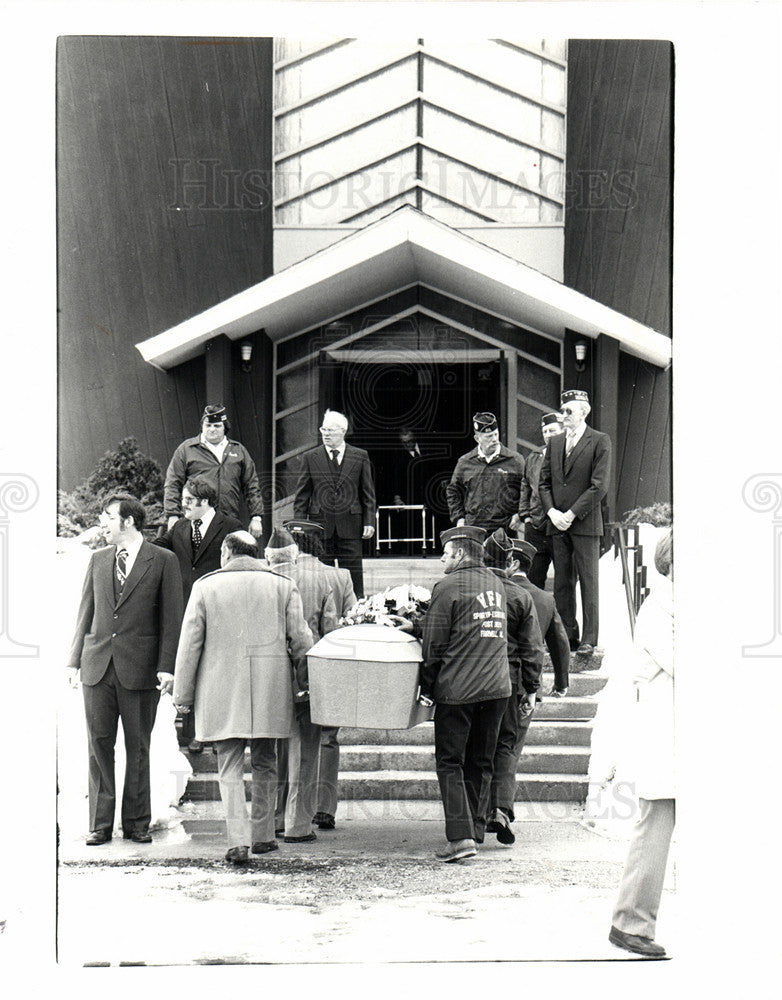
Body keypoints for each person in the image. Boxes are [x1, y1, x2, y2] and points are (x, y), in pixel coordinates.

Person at [172, 531, 313, 864]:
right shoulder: (282, 586)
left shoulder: (205, 587)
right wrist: (306, 685)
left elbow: (189, 644)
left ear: (225, 553)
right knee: (266, 763)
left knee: (230, 767)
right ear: (257, 554)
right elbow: (302, 640)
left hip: (221, 692)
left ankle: (238, 841)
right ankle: (263, 836)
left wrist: (184, 696)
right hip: (271, 689)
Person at [66, 493, 183, 845]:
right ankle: (100, 824)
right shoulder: (99, 560)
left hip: (141, 669)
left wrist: (166, 667)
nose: (103, 523)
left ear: (128, 521)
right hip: (97, 666)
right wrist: (73, 660)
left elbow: (172, 619)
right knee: (98, 745)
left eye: (108, 517)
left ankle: (136, 823)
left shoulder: (163, 560)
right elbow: (85, 612)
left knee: (138, 747)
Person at [419, 525, 511, 862]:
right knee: (480, 761)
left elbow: (434, 645)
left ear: (459, 554)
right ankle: (472, 829)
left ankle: (459, 839)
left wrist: (426, 688)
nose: (442, 556)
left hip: (458, 690)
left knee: (449, 762)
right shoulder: (495, 583)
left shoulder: (448, 586)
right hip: (497, 688)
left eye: (446, 550)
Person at [609, 528, 674, 958]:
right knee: (654, 826)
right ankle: (630, 922)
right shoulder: (659, 606)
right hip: (667, 737)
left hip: (682, 737)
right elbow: (689, 660)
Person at [154, 475, 243, 751]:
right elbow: (158, 549)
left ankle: (219, 733)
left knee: (215, 671)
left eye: (189, 501)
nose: (183, 506)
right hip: (185, 609)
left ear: (205, 501)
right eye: (182, 501)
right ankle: (193, 734)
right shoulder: (180, 526)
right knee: (189, 667)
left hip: (220, 609)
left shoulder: (231, 527)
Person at [283, 519, 357, 832]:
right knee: (327, 738)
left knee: (284, 740)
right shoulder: (340, 576)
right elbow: (352, 620)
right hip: (326, 665)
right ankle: (324, 808)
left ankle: (284, 814)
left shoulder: (276, 573)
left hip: (283, 667)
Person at [265, 526, 337, 843]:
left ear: (267, 557)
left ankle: (274, 820)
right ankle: (298, 825)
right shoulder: (323, 579)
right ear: (295, 556)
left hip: (267, 680)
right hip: (306, 675)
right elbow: (327, 632)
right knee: (305, 754)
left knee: (274, 755)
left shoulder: (259, 582)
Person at [481, 529, 546, 846]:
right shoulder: (522, 597)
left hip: (475, 679)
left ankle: (475, 817)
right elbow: (535, 649)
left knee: (478, 749)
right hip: (512, 681)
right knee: (505, 748)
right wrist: (532, 689)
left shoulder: (472, 591)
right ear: (510, 561)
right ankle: (501, 811)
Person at [538, 390, 612, 657]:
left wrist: (571, 514)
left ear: (584, 411)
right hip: (557, 524)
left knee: (588, 581)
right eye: (562, 410)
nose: (564, 415)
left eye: (569, 411)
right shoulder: (556, 442)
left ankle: (589, 639)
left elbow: (599, 486)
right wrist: (552, 513)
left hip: (584, 523)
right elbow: (544, 482)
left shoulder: (600, 441)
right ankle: (568, 635)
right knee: (562, 583)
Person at [293, 409, 376, 598]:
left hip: (351, 526)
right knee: (322, 578)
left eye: (330, 431)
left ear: (343, 431)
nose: (326, 434)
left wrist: (369, 521)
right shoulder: (310, 457)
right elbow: (302, 496)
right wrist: (299, 527)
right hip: (320, 527)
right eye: (323, 430)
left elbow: (368, 493)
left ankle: (356, 613)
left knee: (353, 577)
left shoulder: (360, 456)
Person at [163, 404, 263, 536]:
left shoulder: (238, 451)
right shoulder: (186, 450)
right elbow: (172, 484)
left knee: (228, 555)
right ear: (202, 426)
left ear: (225, 427)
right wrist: (172, 515)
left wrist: (256, 517)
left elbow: (252, 485)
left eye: (217, 426)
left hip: (229, 521)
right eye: (208, 425)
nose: (212, 429)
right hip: (195, 521)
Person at [507, 537, 571, 697]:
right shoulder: (546, 598)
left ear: (513, 563)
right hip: (531, 684)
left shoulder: (498, 590)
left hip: (497, 680)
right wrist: (561, 682)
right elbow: (559, 643)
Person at [445, 412, 526, 535]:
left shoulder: (515, 460)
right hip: (473, 527)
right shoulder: (465, 462)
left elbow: (527, 489)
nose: (494, 439)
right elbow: (453, 490)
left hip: (505, 528)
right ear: (477, 439)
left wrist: (520, 515)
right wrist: (459, 517)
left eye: (495, 434)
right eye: (488, 436)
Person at [510, 412, 564, 589]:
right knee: (533, 578)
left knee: (565, 580)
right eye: (545, 431)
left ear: (563, 431)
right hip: (536, 528)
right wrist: (525, 516)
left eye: (553, 430)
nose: (549, 434)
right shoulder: (534, 457)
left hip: (560, 528)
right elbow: (525, 485)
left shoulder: (571, 456)